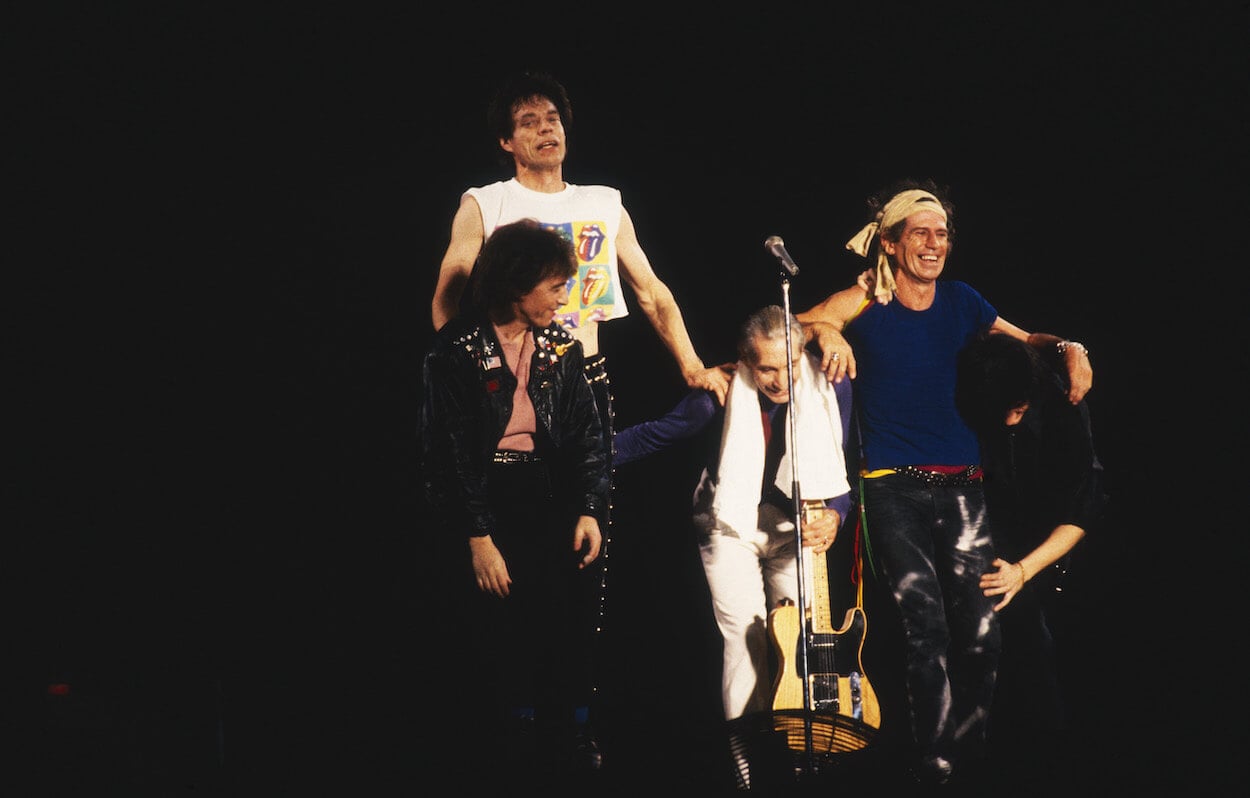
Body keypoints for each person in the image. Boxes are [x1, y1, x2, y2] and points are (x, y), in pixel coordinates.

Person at [796, 179, 1095, 787]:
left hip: (964, 490)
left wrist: (1071, 346)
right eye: (921, 234)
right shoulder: (864, 300)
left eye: (942, 235)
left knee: (982, 631)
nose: (934, 244)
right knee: (924, 629)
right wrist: (826, 330)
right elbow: (795, 324)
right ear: (890, 242)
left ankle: (971, 755)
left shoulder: (962, 301)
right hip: (892, 489)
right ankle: (931, 765)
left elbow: (1027, 339)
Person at [419, 219, 610, 785]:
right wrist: (479, 538)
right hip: (482, 500)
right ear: (516, 283)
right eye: (552, 285)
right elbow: (448, 454)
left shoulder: (560, 347)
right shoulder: (454, 350)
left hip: (545, 497)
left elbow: (588, 437)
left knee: (560, 627)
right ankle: (504, 751)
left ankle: (566, 745)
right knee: (494, 635)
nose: (561, 297)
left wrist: (589, 508)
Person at [687, 305, 854, 790]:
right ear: (745, 363)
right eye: (766, 369)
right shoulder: (722, 393)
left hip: (791, 524)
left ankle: (802, 752)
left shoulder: (830, 386)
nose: (780, 380)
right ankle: (747, 762)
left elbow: (848, 460)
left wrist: (836, 514)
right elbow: (655, 435)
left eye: (790, 364)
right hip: (727, 525)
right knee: (746, 638)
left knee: (801, 633)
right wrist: (583, 467)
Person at [956, 332, 1108, 785]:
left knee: (1052, 661)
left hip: (1057, 546)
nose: (1006, 422)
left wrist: (1025, 570)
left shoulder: (1064, 408)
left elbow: (1081, 512)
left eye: (1016, 412)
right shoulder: (978, 388)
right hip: (998, 540)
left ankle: (1057, 765)